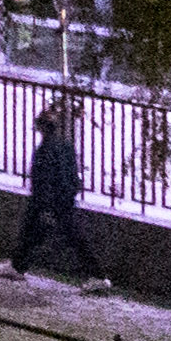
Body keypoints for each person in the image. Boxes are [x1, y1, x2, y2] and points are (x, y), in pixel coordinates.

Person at [9, 92, 101, 281]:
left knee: (68, 237)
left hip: (50, 203)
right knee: (36, 233)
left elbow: (44, 179)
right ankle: (17, 266)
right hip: (63, 199)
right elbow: (72, 174)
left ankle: (97, 276)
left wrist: (45, 204)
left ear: (42, 128)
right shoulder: (65, 146)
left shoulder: (45, 150)